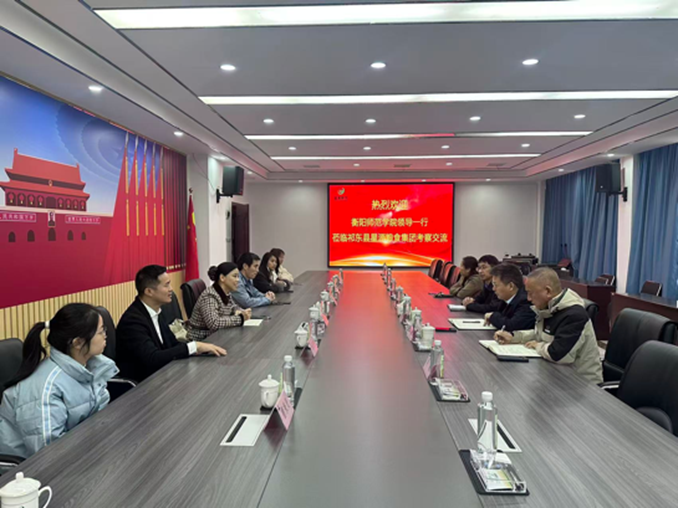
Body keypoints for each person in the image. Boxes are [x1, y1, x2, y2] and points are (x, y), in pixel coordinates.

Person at [0, 304, 117, 458]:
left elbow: (98, 416)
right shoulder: (47, 388)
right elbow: (48, 453)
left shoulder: (91, 367)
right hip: (28, 467)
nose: (105, 336)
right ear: (78, 343)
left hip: (80, 451)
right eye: (101, 331)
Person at [116, 265, 226, 382]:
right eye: (166, 285)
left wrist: (199, 350)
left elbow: (173, 344)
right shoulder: (132, 321)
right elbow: (152, 358)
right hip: (143, 385)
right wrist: (194, 346)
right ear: (149, 291)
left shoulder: (156, 311)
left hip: (162, 376)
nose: (171, 289)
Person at [494, 267, 603, 383]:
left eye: (531, 293)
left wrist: (537, 346)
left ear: (548, 291)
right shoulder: (550, 308)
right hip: (558, 376)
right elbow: (540, 334)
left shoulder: (574, 315)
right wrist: (514, 337)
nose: (528, 298)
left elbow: (557, 354)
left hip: (582, 384)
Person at [187, 262, 253, 341]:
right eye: (235, 276)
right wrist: (240, 318)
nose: (238, 280)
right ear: (222, 278)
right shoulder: (210, 296)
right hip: (202, 339)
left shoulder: (226, 292)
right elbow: (214, 323)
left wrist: (241, 311)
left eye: (238, 277)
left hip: (216, 335)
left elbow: (233, 306)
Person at [483, 263, 536, 332]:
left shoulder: (525, 301)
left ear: (511, 286)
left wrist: (492, 316)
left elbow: (512, 325)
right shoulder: (506, 299)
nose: (493, 289)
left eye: (496, 285)